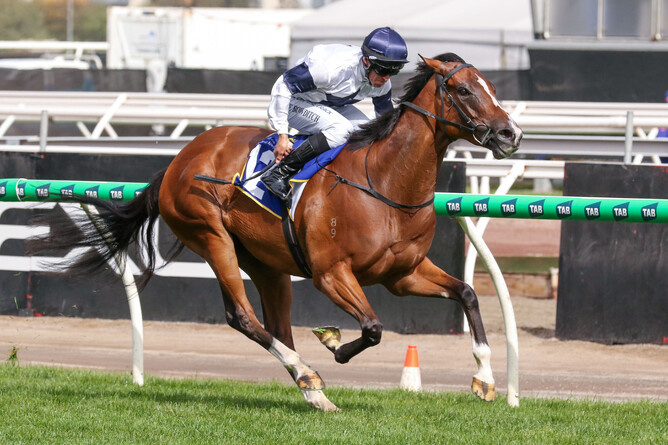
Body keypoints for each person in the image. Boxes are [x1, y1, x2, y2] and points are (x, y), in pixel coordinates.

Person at [261, 27, 409, 200]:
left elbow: (385, 124)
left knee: (368, 130)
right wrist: (282, 135)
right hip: (292, 102)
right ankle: (279, 172)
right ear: (367, 61)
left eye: (394, 71)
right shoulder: (330, 70)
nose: (386, 78)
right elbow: (282, 86)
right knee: (341, 129)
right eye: (384, 70)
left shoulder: (382, 82)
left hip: (328, 103)